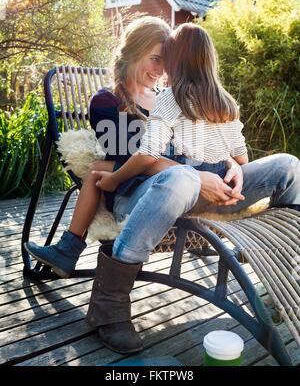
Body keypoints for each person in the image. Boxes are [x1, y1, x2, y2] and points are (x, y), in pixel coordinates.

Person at [89, 23, 300, 354]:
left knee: (289, 164)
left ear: (176, 63)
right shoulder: (165, 100)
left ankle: (283, 276)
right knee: (184, 176)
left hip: (214, 195)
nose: (161, 70)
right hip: (156, 200)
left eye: (166, 59)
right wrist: (115, 181)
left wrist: (235, 171)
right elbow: (148, 155)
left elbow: (240, 158)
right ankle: (110, 301)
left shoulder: (221, 103)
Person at [24, 15, 176, 278]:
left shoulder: (165, 99)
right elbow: (130, 158)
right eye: (155, 58)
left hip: (168, 184)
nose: (161, 70)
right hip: (129, 187)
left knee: (97, 169)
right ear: (133, 52)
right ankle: (67, 252)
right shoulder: (107, 101)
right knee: (97, 171)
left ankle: (67, 250)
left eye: (167, 62)